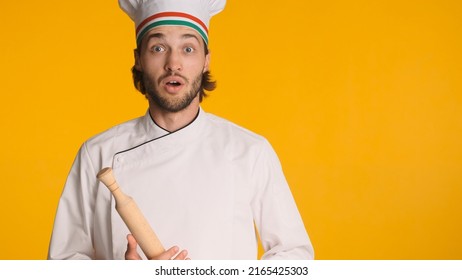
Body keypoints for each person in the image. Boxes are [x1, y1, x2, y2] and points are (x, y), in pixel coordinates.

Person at [48, 0, 314, 260]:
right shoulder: (97, 154)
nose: (173, 63)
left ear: (206, 60)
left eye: (188, 49)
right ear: (138, 58)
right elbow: (64, 262)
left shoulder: (250, 152)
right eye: (158, 48)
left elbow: (294, 254)